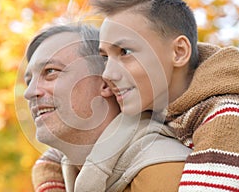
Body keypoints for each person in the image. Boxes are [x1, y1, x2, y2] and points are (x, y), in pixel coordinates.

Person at [92, 0, 239, 191]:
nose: (108, 74)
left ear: (179, 52)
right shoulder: (151, 102)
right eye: (105, 57)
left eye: (125, 52)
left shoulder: (227, 117)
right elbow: (58, 155)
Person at [23, 24, 192, 192]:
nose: (29, 92)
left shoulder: (161, 169)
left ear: (106, 82)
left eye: (51, 71)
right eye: (29, 81)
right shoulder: (69, 178)